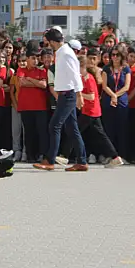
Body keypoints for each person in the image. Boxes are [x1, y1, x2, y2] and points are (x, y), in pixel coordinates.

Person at [34, 29, 87, 172]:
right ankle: (82, 161)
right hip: (65, 94)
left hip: (68, 94)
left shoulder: (65, 53)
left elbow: (75, 75)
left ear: (51, 42)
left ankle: (50, 160)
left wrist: (79, 95)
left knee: (54, 125)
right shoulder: (62, 53)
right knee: (72, 128)